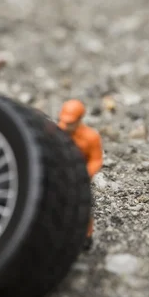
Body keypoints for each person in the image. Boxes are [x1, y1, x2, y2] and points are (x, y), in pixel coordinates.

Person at [58, 99, 103, 250]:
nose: (67, 125)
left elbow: (96, 160)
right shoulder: (58, 133)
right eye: (64, 121)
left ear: (79, 120)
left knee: (83, 207)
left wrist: (84, 174)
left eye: (70, 122)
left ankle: (86, 235)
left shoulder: (91, 137)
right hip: (63, 175)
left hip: (81, 178)